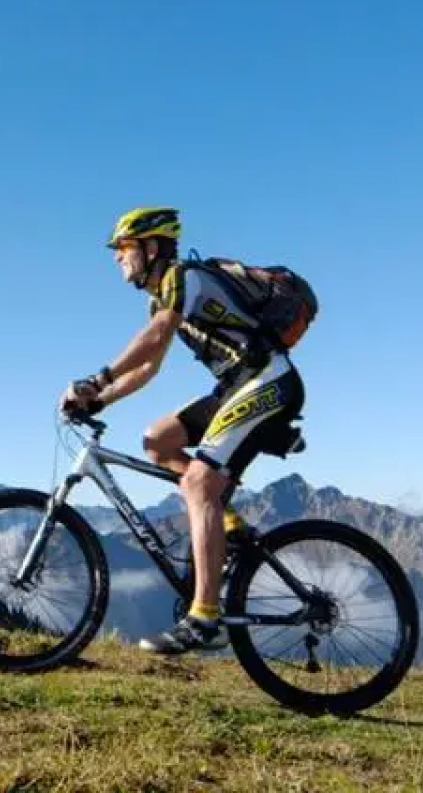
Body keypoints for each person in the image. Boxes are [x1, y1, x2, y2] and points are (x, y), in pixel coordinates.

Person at [59, 206, 308, 655]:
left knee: (198, 483)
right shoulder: (163, 297)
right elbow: (149, 368)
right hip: (237, 385)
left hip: (268, 381)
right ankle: (227, 523)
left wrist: (95, 379)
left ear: (152, 247)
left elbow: (154, 339)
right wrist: (99, 400)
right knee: (159, 440)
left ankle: (204, 619)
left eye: (124, 248)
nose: (117, 257)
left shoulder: (181, 277)